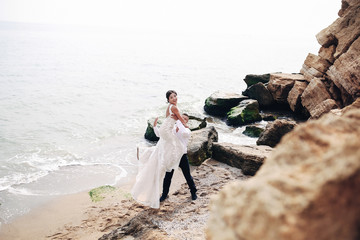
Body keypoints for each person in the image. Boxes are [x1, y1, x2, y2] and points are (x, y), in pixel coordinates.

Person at [131, 90, 188, 208]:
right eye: (171, 97)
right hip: (166, 131)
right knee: (178, 146)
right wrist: (185, 125)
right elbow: (181, 119)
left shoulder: (169, 107)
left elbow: (168, 118)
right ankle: (168, 163)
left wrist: (174, 123)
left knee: (167, 147)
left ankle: (161, 159)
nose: (174, 98)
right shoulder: (175, 108)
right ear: (168, 99)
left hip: (164, 129)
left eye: (175, 96)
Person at [153, 113, 197, 201]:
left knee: (187, 175)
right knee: (168, 176)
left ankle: (193, 192)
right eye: (182, 118)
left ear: (186, 122)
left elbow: (183, 133)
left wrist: (179, 121)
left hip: (182, 156)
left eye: (185, 119)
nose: (183, 119)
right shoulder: (172, 128)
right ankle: (164, 195)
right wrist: (155, 126)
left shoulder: (187, 130)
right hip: (172, 156)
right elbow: (160, 135)